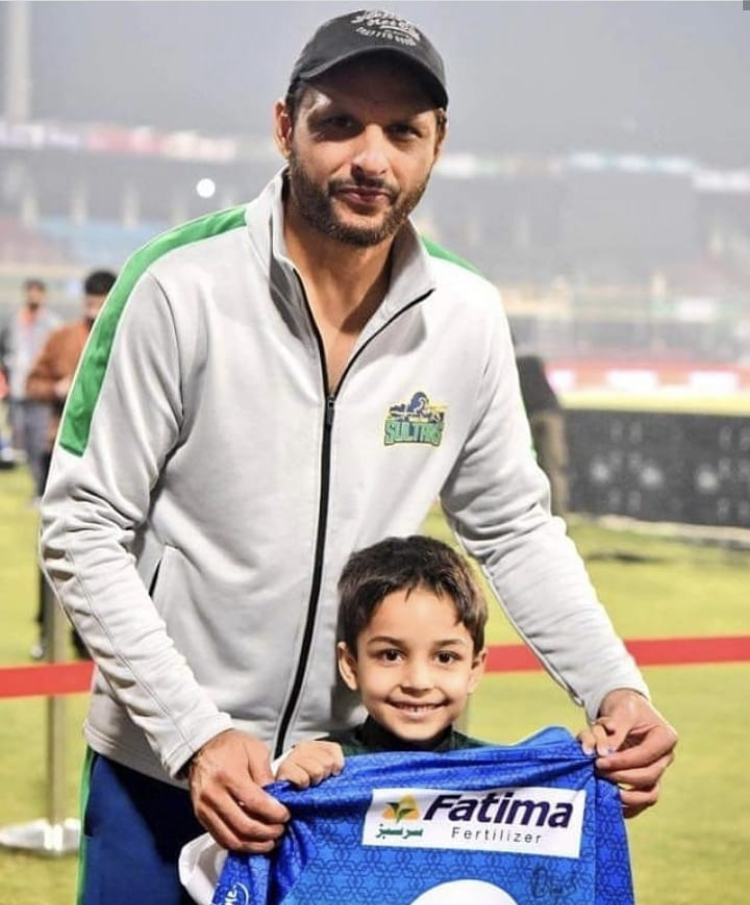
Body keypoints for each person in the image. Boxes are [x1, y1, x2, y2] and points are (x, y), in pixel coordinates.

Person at [38, 10, 676, 905]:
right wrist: (193, 733)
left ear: (437, 145)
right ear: (284, 126)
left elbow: (513, 527)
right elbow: (80, 526)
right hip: (167, 774)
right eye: (340, 123)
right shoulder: (176, 287)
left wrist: (615, 688)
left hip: (358, 782)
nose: (370, 158)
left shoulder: (465, 315)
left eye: (402, 132)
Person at [180, 535, 629, 905]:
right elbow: (209, 874)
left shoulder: (503, 778)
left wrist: (588, 765)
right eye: (390, 655)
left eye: (445, 657)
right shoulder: (319, 773)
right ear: (350, 664)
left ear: (475, 667)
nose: (418, 680)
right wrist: (279, 785)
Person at [25, 269, 117, 661]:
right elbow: (32, 384)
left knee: (110, 552)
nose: (95, 312)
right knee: (55, 546)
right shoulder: (62, 338)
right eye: (91, 305)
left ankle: (92, 641)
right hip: (61, 453)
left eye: (102, 304)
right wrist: (57, 388)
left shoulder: (130, 334)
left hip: (113, 461)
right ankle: (47, 632)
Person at [0, 278, 60, 499]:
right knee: (22, 441)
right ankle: (38, 487)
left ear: (43, 295)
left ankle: (43, 490)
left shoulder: (53, 324)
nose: (33, 297)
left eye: (38, 293)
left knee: (41, 442)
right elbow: (5, 353)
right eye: (30, 293)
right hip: (17, 390)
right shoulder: (14, 322)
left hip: (40, 391)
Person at [515, 353, 569, 518]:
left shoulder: (508, 360)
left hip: (529, 415)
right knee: (554, 470)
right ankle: (558, 516)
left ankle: (529, 514)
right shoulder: (532, 359)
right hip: (550, 414)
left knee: (523, 468)